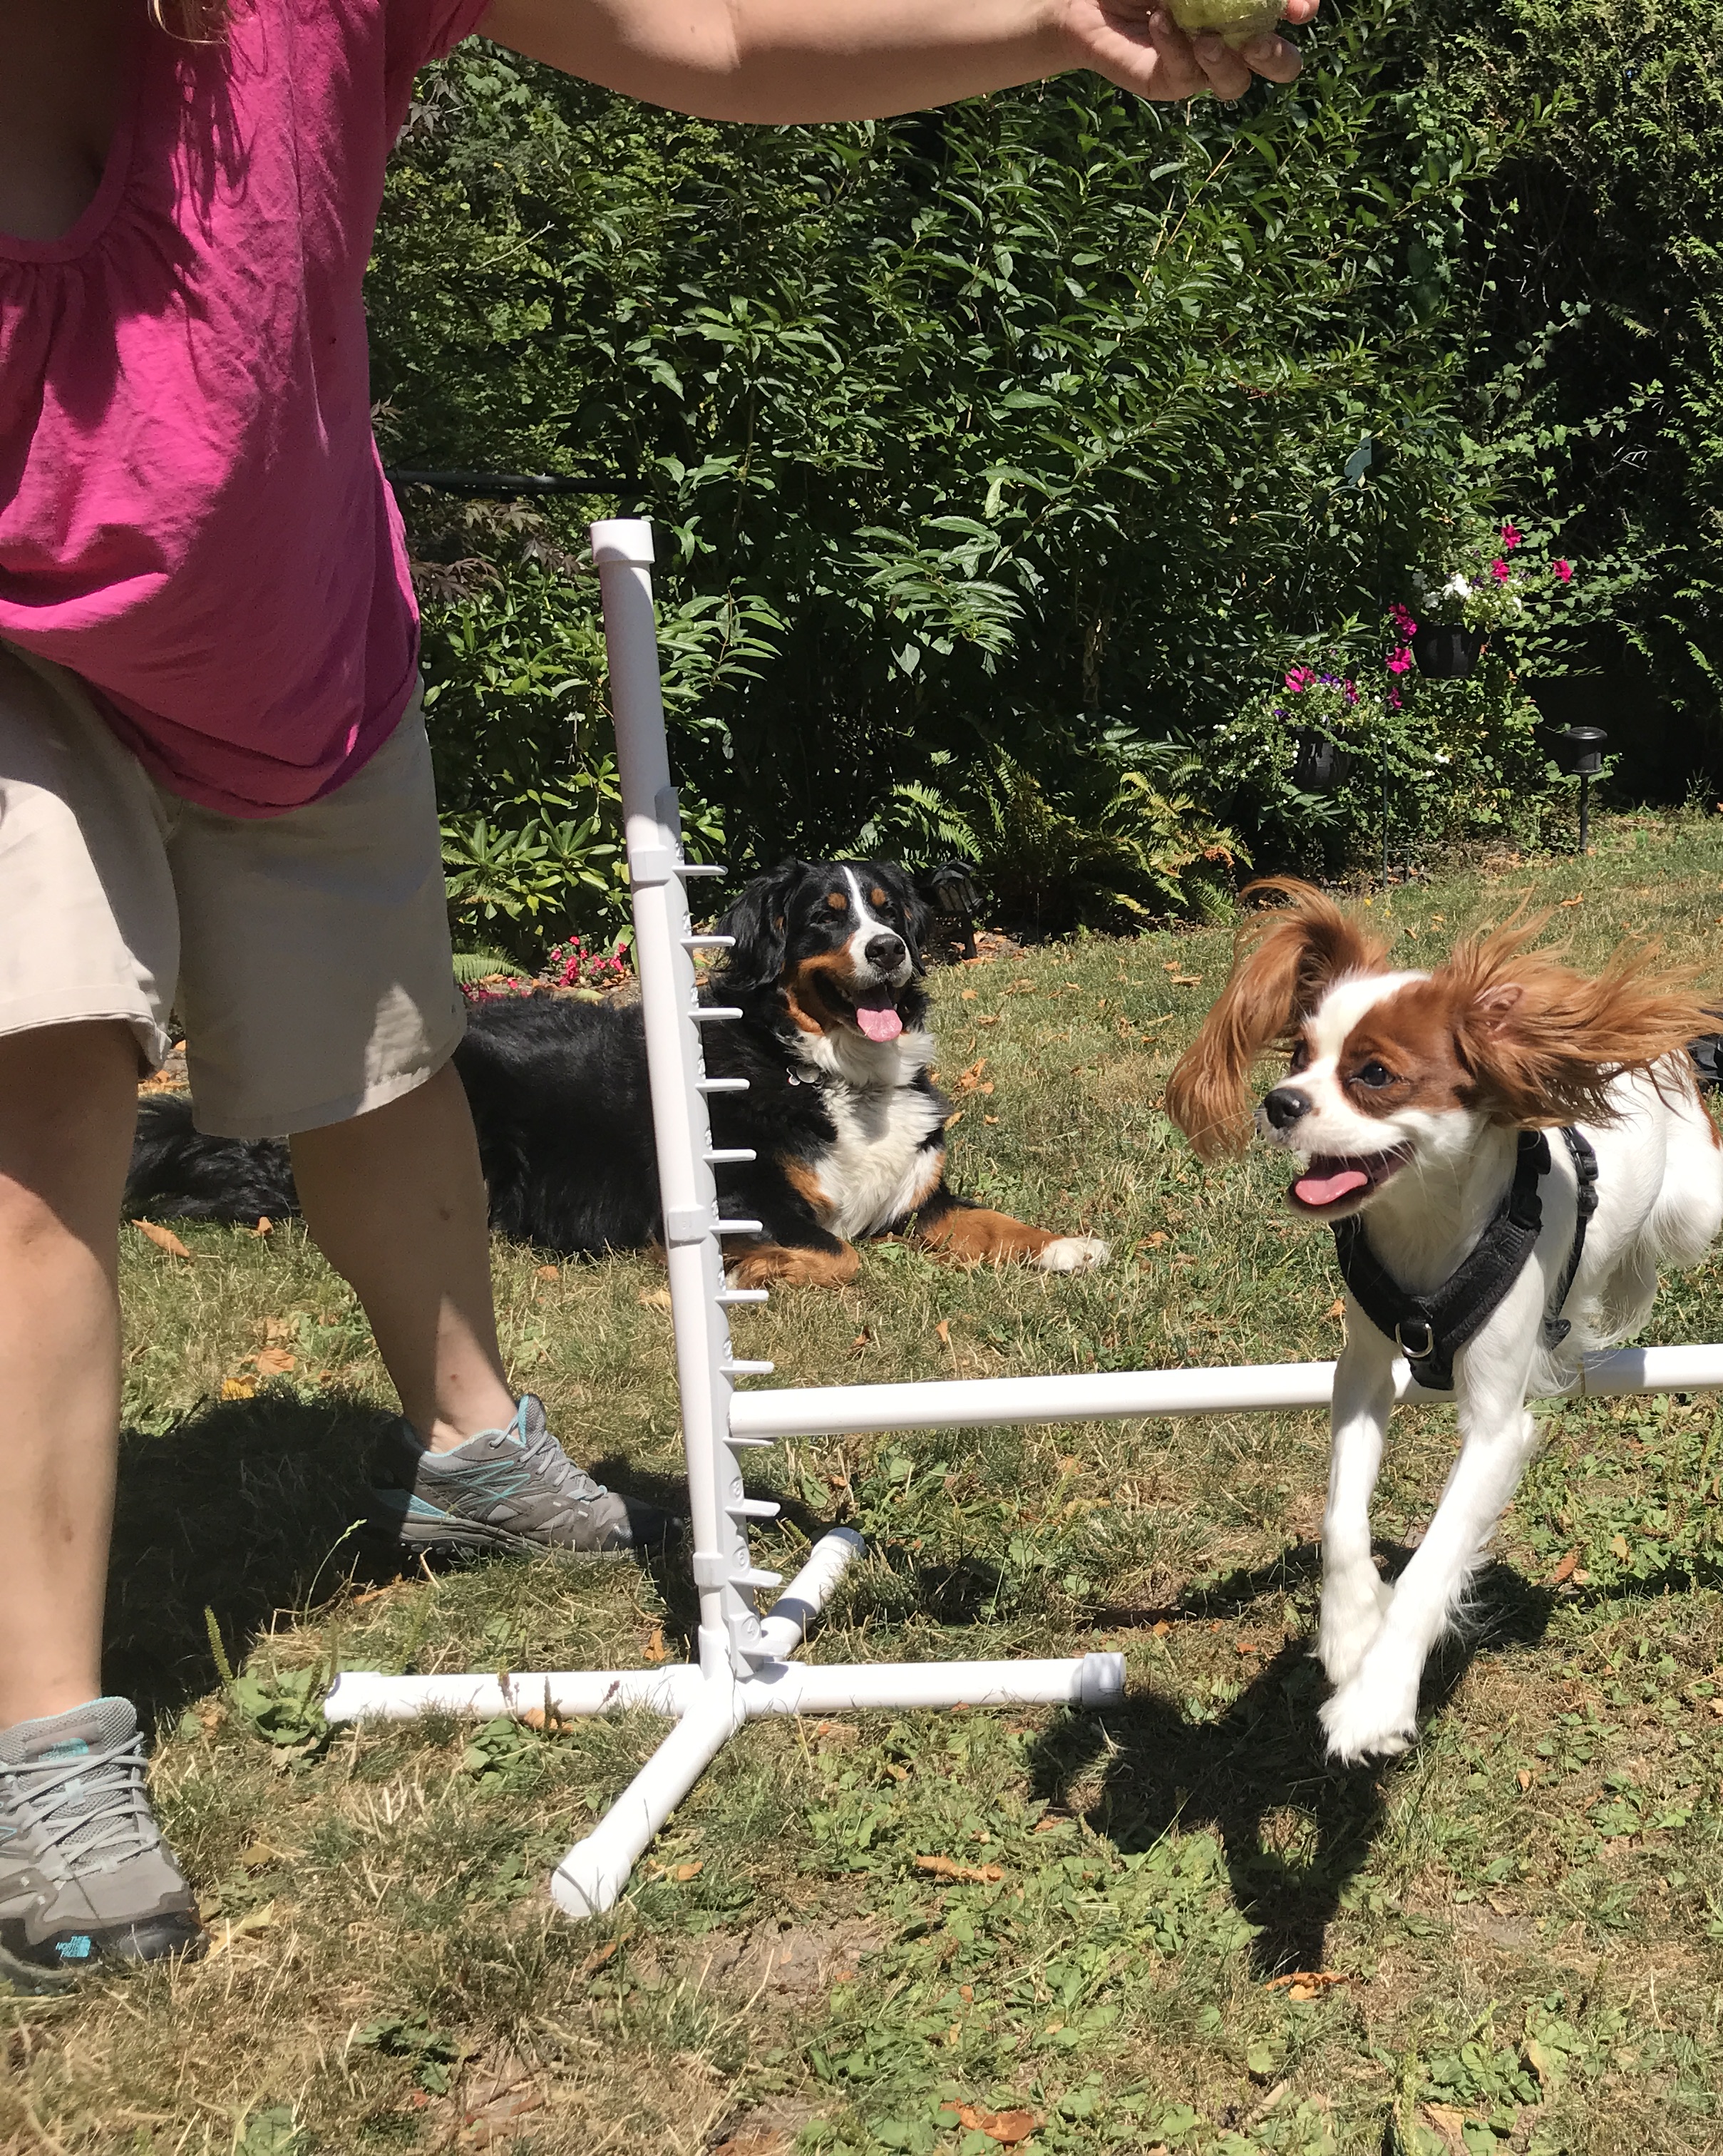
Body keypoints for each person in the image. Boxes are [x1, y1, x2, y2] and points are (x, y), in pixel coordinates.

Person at [0, 0, 1315, 1995]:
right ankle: (49, 1749)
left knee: (384, 1082)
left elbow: (704, 24)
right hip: (19, 628)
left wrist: (1056, 13)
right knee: (41, 1105)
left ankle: (473, 1451)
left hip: (288, 635)